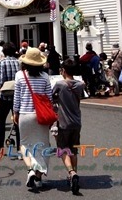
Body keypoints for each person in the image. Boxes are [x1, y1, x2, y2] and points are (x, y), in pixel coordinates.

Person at [13, 48, 52, 191]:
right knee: (42, 145)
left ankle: (30, 169)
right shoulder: (45, 77)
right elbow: (49, 98)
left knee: (24, 144)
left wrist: (15, 113)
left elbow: (16, 97)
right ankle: (39, 176)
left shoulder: (19, 75)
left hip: (24, 113)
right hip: (40, 114)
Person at [52, 59, 84, 195]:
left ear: (63, 70)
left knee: (63, 149)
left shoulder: (59, 84)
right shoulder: (81, 84)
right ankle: (74, 173)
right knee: (74, 149)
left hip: (63, 121)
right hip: (77, 121)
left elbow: (51, 98)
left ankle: (71, 172)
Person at [0, 43, 20, 153]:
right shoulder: (19, 62)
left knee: (1, 121)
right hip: (17, 95)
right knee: (17, 122)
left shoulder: (1, 63)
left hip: (4, 95)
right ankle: (19, 147)